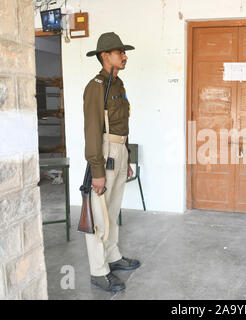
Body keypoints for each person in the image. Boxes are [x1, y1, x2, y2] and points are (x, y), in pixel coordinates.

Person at [83, 32, 140, 292]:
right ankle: (98, 271)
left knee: (113, 209)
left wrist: (126, 155)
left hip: (119, 150)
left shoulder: (118, 84)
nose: (125, 56)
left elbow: (122, 123)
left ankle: (113, 256)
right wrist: (97, 170)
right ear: (106, 56)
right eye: (121, 53)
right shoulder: (95, 86)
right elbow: (93, 130)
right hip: (104, 153)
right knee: (99, 215)